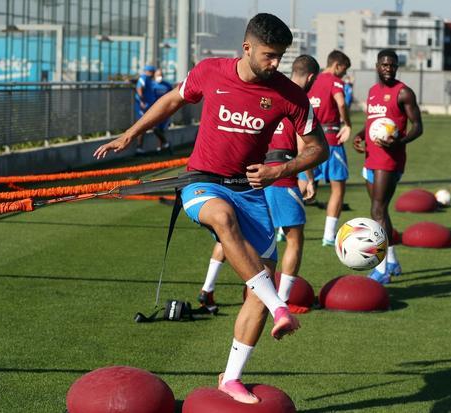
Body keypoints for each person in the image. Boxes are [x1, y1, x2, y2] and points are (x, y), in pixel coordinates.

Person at [94, 14, 328, 404]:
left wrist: (281, 169)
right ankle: (279, 307)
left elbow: (317, 147)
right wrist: (132, 133)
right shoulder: (210, 72)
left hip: (250, 192)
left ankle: (231, 377)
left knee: (258, 284)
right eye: (269, 56)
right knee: (222, 218)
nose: (275, 64)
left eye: (281, 58)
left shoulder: (290, 95)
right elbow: (172, 99)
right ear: (247, 48)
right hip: (202, 182)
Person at [197, 55, 321, 314]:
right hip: (280, 176)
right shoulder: (291, 98)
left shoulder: (262, 90)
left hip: (250, 177)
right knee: (294, 239)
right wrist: (307, 177)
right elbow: (304, 144)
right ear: (310, 78)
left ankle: (207, 288)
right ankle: (282, 300)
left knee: (230, 235)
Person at [352, 49, 423, 284]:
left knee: (377, 211)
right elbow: (374, 123)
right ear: (377, 66)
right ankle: (392, 261)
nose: (388, 69)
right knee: (380, 212)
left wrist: (399, 142)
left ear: (397, 67)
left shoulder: (403, 93)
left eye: (392, 65)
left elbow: (418, 126)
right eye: (384, 65)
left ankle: (381, 270)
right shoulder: (373, 92)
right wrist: (361, 135)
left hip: (389, 160)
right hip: (371, 158)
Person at [299, 50, 352, 247]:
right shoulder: (335, 82)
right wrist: (347, 123)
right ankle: (329, 235)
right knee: (338, 188)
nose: (343, 75)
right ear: (337, 65)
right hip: (331, 140)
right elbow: (340, 102)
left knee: (302, 185)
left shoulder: (312, 80)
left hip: (309, 139)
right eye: (343, 70)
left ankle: (282, 229)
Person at [134, 65, 158, 154]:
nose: (153, 74)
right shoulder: (144, 77)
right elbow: (139, 87)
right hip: (143, 107)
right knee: (142, 126)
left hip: (148, 106)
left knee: (150, 125)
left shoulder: (148, 79)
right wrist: (142, 101)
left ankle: (164, 143)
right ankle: (139, 147)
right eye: (152, 72)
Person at [152, 68, 174, 152]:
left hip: (165, 110)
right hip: (154, 110)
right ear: (154, 75)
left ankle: (160, 147)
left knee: (162, 129)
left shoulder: (167, 85)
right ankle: (166, 143)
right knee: (154, 128)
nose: (159, 77)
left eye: (161, 75)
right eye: (158, 75)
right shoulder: (152, 85)